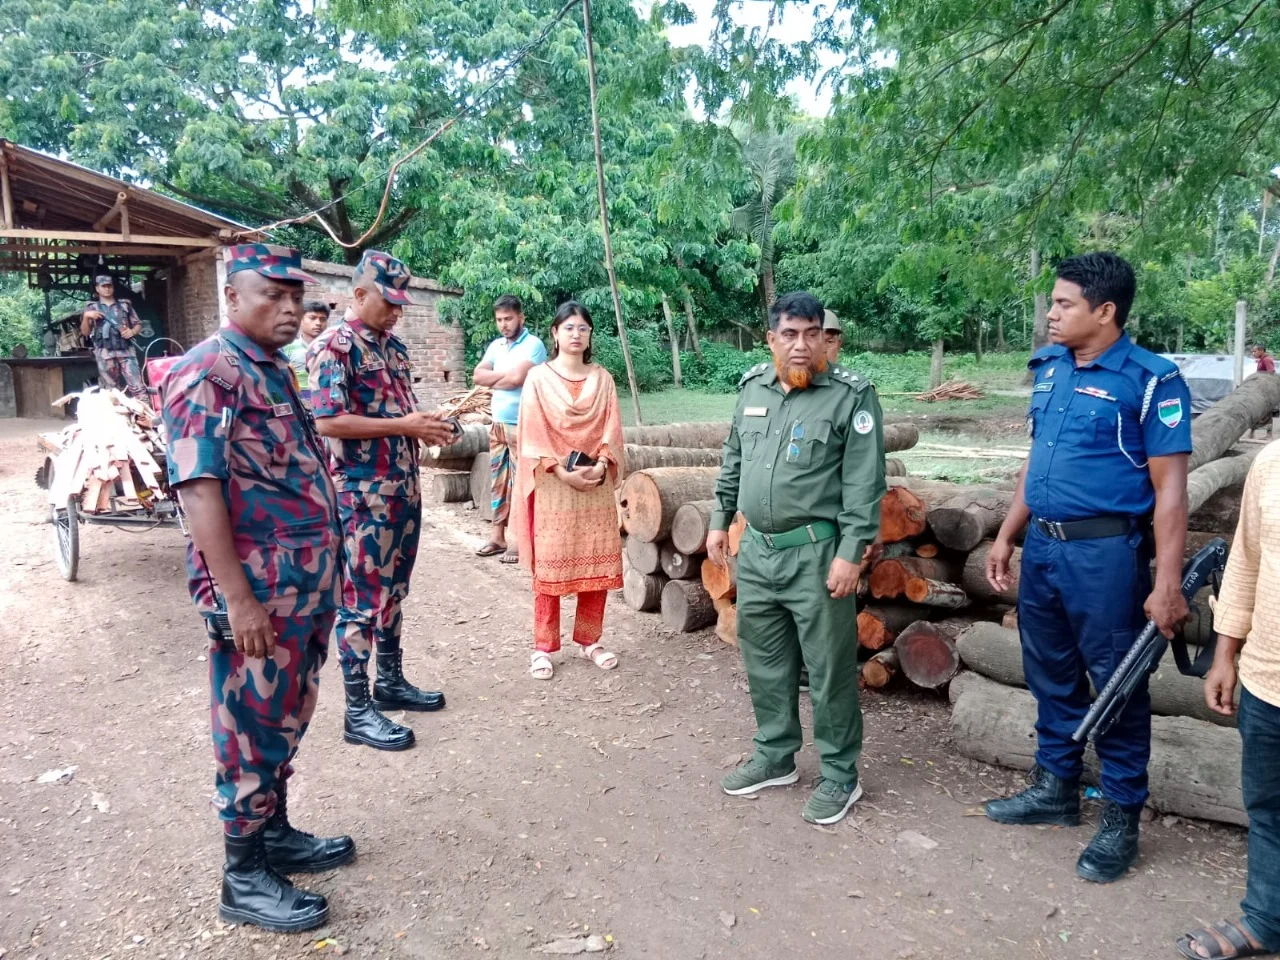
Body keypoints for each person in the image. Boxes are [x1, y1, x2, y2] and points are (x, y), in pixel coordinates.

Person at [162, 244, 354, 934]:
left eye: (295, 295)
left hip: (302, 587)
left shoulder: (271, 369)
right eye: (272, 294)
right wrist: (237, 599)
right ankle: (242, 876)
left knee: (286, 717)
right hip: (260, 594)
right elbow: (199, 488)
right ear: (232, 296)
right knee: (249, 727)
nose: (289, 307)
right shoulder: (207, 372)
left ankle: (272, 835)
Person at [984, 252, 1192, 884]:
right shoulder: (1051, 368)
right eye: (1053, 302)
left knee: (1116, 683)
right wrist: (1007, 535)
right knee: (1049, 671)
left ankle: (1122, 816)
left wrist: (1167, 584)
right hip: (1044, 549)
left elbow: (1171, 490)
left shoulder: (1152, 381)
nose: (1052, 313)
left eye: (1064, 303)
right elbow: (1037, 460)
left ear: (1105, 312)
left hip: (1105, 557)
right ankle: (1056, 788)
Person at [708, 291, 885, 826]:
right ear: (772, 339)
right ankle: (775, 755)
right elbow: (734, 457)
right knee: (764, 660)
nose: (802, 345)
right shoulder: (752, 388)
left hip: (817, 553)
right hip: (758, 550)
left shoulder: (851, 396)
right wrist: (718, 519)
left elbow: (864, 484)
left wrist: (851, 553)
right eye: (790, 334)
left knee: (828, 669)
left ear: (826, 339)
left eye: (813, 334)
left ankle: (840, 774)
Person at [308, 250, 456, 752]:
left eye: (400, 303)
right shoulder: (334, 347)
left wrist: (430, 427)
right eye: (388, 302)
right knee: (361, 601)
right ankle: (357, 711)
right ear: (359, 294)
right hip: (362, 496)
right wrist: (403, 425)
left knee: (393, 592)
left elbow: (401, 414)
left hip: (401, 490)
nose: (396, 312)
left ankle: (389, 682)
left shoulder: (393, 347)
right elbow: (328, 421)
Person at [1173, 445, 1280, 959]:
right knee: (1269, 808)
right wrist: (1224, 655)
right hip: (1269, 677)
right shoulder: (1273, 462)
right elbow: (1246, 563)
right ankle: (1266, 919)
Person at [514, 301, 625, 680]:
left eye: (583, 328)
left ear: (590, 335)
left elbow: (612, 429)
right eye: (569, 328)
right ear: (555, 333)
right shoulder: (538, 379)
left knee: (596, 562)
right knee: (550, 565)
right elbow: (532, 434)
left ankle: (590, 640)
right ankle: (543, 647)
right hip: (553, 485)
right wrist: (562, 472)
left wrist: (601, 465)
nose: (576, 334)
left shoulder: (603, 379)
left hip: (595, 482)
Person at [472, 295, 547, 562]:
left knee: (521, 482)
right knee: (499, 481)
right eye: (499, 320)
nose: (504, 324)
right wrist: (506, 378)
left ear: (521, 318)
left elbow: (517, 379)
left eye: (509, 319)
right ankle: (497, 537)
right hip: (498, 424)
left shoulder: (534, 345)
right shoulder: (496, 346)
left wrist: (496, 379)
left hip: (523, 425)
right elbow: (478, 376)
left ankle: (519, 542)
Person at [81, 274, 147, 399]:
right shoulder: (92, 308)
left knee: (138, 388)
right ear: (97, 288)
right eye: (103, 286)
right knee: (110, 391)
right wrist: (86, 316)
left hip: (126, 352)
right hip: (105, 353)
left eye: (109, 286)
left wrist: (132, 332)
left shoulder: (124, 305)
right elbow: (85, 332)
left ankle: (145, 411)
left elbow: (138, 324)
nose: (107, 289)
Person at [283, 301, 330, 405]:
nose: (318, 323)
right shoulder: (287, 348)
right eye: (312, 318)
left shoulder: (332, 349)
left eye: (323, 319)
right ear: (301, 320)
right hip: (298, 400)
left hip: (327, 400)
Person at [1250, 344, 1275, 440]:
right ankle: (1252, 433)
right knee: (1256, 410)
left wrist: (1264, 386)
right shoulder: (1261, 360)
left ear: (1261, 351)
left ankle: (1269, 434)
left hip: (1265, 390)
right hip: (1259, 389)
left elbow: (1271, 373)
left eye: (1255, 351)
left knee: (1266, 412)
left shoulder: (1267, 360)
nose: (1253, 353)